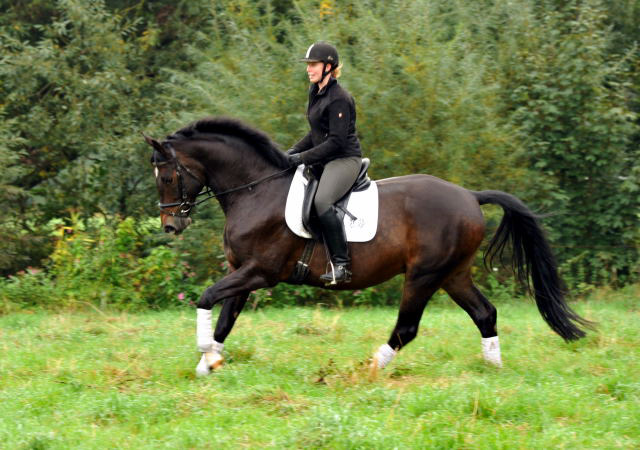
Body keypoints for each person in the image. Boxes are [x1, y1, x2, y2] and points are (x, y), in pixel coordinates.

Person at [286, 42, 363, 285]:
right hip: (324, 159)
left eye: (313, 65)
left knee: (322, 201)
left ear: (328, 67)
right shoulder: (315, 92)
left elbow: (336, 142)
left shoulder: (340, 98)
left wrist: (301, 158)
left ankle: (342, 265)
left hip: (344, 159)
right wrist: (290, 153)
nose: (309, 69)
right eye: (308, 65)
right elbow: (316, 133)